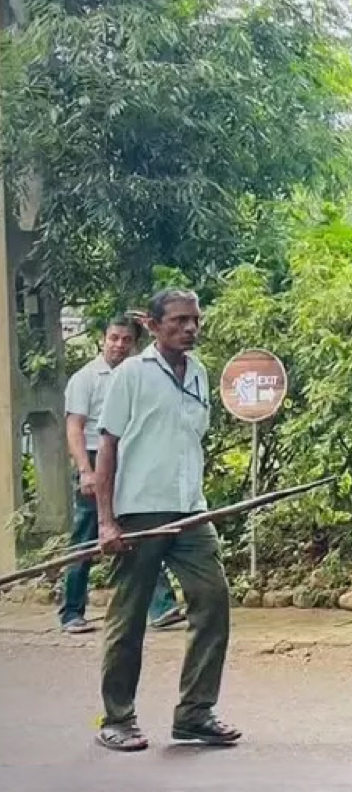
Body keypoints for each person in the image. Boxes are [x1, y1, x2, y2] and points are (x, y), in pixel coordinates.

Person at [93, 289, 239, 751]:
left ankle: (195, 713)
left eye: (195, 320)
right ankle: (117, 718)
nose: (190, 328)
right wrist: (106, 522)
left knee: (213, 601)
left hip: (191, 511)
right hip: (138, 513)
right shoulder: (131, 375)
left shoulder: (198, 373)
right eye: (178, 321)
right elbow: (108, 446)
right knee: (129, 618)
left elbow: (190, 442)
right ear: (153, 326)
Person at [59, 314, 183, 635]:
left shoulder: (140, 375)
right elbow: (74, 427)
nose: (119, 345)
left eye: (126, 340)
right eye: (114, 338)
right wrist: (85, 471)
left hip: (129, 459)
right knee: (87, 537)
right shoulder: (86, 378)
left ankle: (162, 606)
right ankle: (71, 611)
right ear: (104, 339)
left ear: (135, 344)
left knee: (141, 530)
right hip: (94, 460)